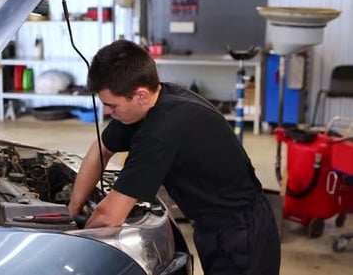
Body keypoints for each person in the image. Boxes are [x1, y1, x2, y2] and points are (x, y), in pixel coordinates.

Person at [68, 39, 280, 275]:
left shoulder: (162, 130)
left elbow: (109, 217)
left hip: (241, 233)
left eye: (111, 105)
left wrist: (68, 247)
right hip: (214, 224)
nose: (107, 111)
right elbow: (102, 149)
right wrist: (72, 210)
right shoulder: (147, 103)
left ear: (140, 95)